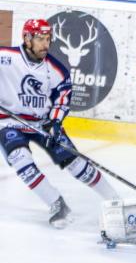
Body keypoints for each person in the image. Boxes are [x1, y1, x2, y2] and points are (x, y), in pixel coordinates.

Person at [0, 19, 119, 227]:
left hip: (43, 123)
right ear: (27, 38)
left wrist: (55, 122)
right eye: (40, 39)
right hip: (9, 122)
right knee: (20, 158)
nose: (45, 44)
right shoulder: (5, 58)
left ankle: (115, 201)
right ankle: (57, 204)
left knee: (76, 163)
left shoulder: (56, 70)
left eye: (48, 39)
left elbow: (62, 99)